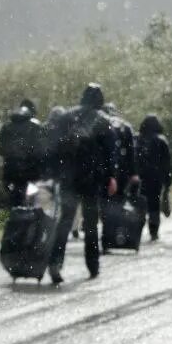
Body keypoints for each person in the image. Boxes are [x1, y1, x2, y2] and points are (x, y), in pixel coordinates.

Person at [47, 84, 118, 283]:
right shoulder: (103, 120)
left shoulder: (66, 117)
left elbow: (53, 147)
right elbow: (109, 152)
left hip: (69, 178)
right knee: (91, 223)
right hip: (91, 179)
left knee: (65, 221)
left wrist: (56, 173)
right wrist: (110, 177)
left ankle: (55, 261)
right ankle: (92, 265)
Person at [0, 99, 44, 207]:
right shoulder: (35, 126)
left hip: (10, 168)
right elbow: (40, 150)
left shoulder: (7, 126)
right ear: (32, 112)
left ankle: (13, 215)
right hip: (29, 170)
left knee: (13, 198)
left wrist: (11, 155)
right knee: (30, 198)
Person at [136, 115, 172, 242]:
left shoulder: (138, 139)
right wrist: (167, 182)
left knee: (139, 205)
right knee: (154, 206)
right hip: (156, 179)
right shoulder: (161, 141)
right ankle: (153, 231)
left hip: (140, 178)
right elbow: (167, 163)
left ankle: (136, 230)